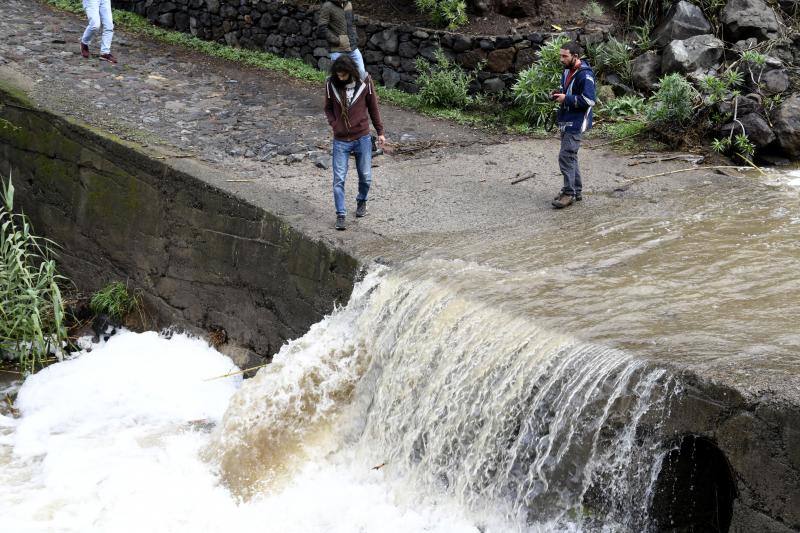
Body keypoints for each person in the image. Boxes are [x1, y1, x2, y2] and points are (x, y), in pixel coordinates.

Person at [324, 56, 385, 231]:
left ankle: (362, 201)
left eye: (344, 75)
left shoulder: (365, 81)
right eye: (338, 75)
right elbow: (327, 108)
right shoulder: (331, 84)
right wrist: (335, 123)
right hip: (340, 140)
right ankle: (340, 214)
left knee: (365, 176)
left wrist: (380, 132)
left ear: (350, 72)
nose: (341, 78)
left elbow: (373, 107)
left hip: (362, 138)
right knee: (338, 179)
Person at [551, 41, 595, 209]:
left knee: (565, 156)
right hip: (567, 118)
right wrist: (557, 93)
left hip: (576, 122)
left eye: (565, 56)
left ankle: (568, 194)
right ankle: (575, 191)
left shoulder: (585, 75)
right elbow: (567, 89)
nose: (561, 59)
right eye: (561, 55)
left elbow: (590, 100)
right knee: (571, 156)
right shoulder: (567, 70)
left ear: (575, 56)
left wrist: (566, 99)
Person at [317, 0, 366, 80]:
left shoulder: (348, 4)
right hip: (337, 49)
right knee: (340, 78)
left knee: (361, 73)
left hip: (352, 47)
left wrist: (355, 37)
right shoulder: (327, 6)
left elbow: (352, 23)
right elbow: (322, 28)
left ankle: (359, 92)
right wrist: (337, 41)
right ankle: (331, 89)